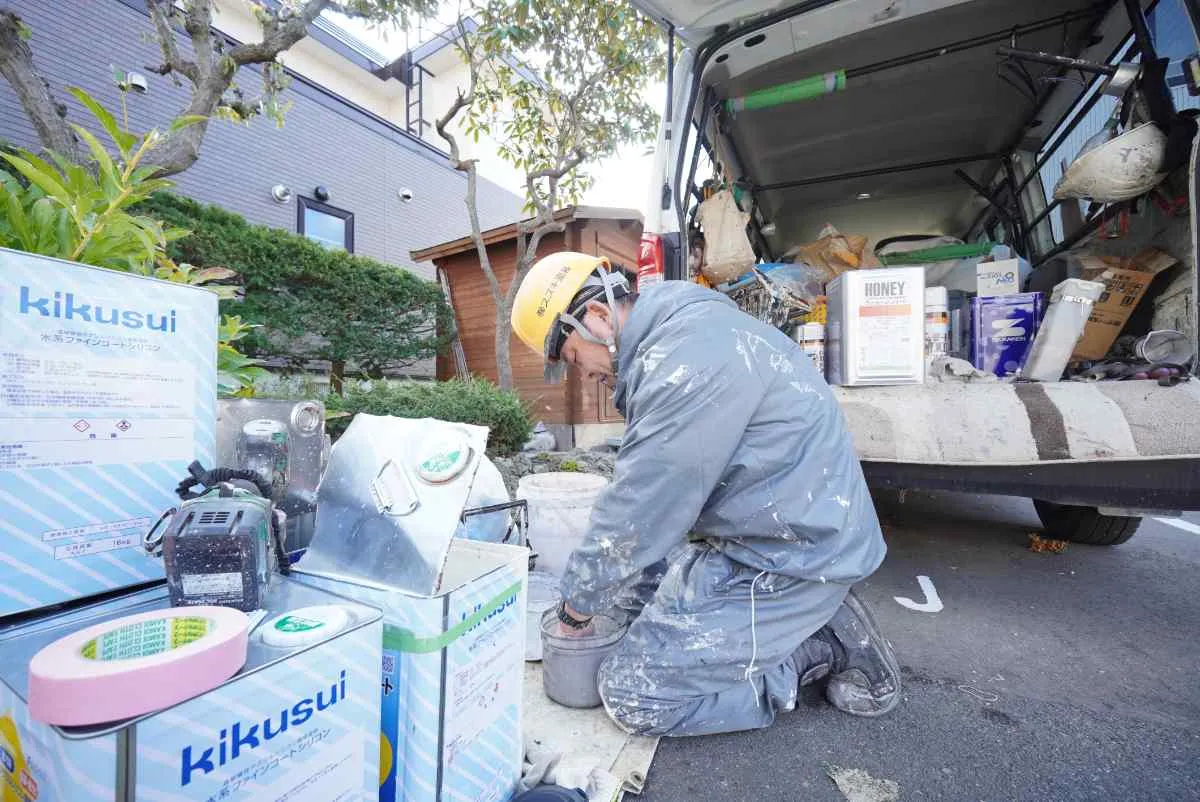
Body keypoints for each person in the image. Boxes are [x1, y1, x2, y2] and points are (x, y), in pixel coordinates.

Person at [510, 252, 901, 737]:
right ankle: (795, 623)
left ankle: (815, 646)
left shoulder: (683, 360)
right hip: (772, 530)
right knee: (638, 605)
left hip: (791, 558)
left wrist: (575, 610)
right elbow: (661, 490)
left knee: (633, 693)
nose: (583, 374)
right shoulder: (683, 331)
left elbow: (640, 510)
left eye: (572, 357)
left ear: (597, 317)